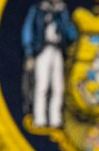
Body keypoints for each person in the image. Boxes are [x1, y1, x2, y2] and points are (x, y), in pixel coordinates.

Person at [21, 0, 78, 128]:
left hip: (57, 51)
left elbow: (71, 33)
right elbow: (28, 31)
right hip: (42, 50)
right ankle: (39, 119)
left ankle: (55, 119)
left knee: (58, 87)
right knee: (42, 85)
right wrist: (29, 53)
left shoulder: (62, 11)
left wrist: (63, 16)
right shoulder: (37, 9)